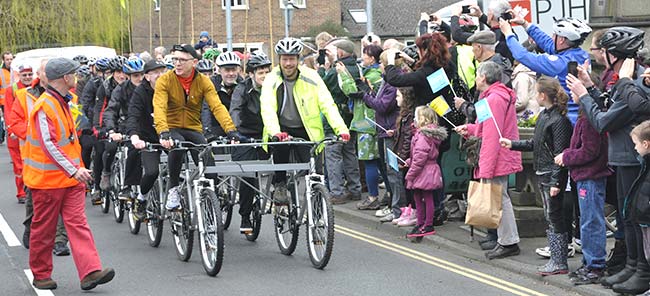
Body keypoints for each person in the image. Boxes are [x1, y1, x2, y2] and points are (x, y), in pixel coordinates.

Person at [566, 27, 650, 295]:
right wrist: (590, 87)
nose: (600, 55)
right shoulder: (624, 81)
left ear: (614, 54)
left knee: (635, 217)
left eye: (603, 50)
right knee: (627, 217)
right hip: (623, 156)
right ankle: (633, 266)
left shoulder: (634, 84)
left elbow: (602, 120)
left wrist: (583, 95)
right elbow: (607, 106)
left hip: (631, 158)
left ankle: (641, 271)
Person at [23, 57, 114, 291]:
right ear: (65, 78)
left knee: (78, 224)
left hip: (70, 178)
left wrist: (75, 171)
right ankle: (41, 274)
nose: (76, 77)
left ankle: (90, 271)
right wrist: (75, 170)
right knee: (44, 229)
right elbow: (49, 145)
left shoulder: (64, 101)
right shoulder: (44, 106)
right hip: (48, 181)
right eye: (73, 74)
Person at [260, 37, 350, 204]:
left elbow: (328, 104)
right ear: (279, 59)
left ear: (298, 59)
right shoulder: (272, 79)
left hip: (306, 130)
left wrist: (341, 129)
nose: (288, 63)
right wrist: (275, 132)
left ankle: (316, 202)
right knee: (280, 154)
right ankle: (280, 185)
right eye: (285, 59)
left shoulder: (312, 76)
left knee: (314, 172)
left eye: (292, 59)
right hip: (281, 129)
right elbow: (267, 108)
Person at [500, 76, 573, 275]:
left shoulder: (559, 121)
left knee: (554, 216)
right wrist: (513, 144)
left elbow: (561, 153)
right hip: (543, 172)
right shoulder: (545, 116)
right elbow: (535, 143)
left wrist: (557, 181)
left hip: (551, 174)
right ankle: (557, 259)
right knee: (550, 216)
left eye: (536, 93)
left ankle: (559, 261)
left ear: (542, 95)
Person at [153, 44, 239, 210]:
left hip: (193, 129)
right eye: (175, 59)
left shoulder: (203, 82)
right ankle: (173, 190)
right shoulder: (165, 80)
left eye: (182, 60)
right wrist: (163, 132)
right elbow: (159, 107)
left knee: (208, 162)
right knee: (177, 149)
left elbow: (217, 106)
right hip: (171, 128)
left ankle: (210, 202)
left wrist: (231, 131)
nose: (177, 63)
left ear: (194, 63)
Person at [455, 61, 522, 259]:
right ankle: (505, 240)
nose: (475, 78)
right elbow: (484, 129)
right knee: (500, 198)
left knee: (500, 199)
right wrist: (469, 129)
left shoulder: (493, 99)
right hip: (498, 154)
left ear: (483, 78)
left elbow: (492, 137)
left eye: (477, 75)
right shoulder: (490, 97)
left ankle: (509, 242)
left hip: (497, 156)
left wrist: (485, 168)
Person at [7, 59, 70, 256]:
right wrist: (33, 134)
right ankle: (30, 226)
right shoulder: (23, 95)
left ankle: (59, 241)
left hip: (59, 157)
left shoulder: (65, 95)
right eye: (45, 71)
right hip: (33, 157)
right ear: (40, 75)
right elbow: (14, 121)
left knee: (60, 198)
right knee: (33, 198)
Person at [553, 93, 611, 285]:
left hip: (591, 176)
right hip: (586, 176)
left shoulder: (589, 121)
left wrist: (566, 156)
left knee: (591, 222)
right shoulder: (585, 118)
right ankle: (589, 263)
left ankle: (595, 266)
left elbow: (589, 151)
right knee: (586, 221)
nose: (572, 94)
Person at [500, 16, 591, 124]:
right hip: (580, 115)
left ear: (561, 40)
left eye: (554, 35)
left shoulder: (559, 63)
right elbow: (548, 44)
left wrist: (508, 34)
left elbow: (522, 56)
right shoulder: (581, 55)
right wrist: (525, 24)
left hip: (567, 120)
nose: (552, 38)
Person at [334, 41, 383, 210]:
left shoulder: (373, 75)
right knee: (380, 163)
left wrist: (343, 74)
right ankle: (383, 196)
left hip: (366, 123)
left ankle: (373, 196)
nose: (363, 59)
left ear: (373, 59)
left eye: (367, 56)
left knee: (370, 161)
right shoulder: (373, 72)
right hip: (376, 123)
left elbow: (352, 91)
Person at [229, 51, 272, 233]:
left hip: (269, 135)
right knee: (248, 175)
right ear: (251, 74)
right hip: (245, 134)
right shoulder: (241, 89)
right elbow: (236, 110)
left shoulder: (275, 87)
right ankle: (245, 216)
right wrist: (235, 133)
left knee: (283, 166)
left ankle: (281, 200)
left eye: (266, 72)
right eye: (260, 73)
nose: (264, 76)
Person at [318, 39, 363, 205]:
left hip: (335, 119)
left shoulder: (336, 70)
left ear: (342, 53)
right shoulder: (357, 67)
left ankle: (337, 192)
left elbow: (321, 87)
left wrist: (324, 68)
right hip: (352, 118)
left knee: (333, 156)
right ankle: (355, 189)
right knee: (350, 154)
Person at [363, 50, 403, 222]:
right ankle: (393, 207)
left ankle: (397, 209)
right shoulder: (387, 81)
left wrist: (365, 96)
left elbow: (383, 106)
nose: (379, 65)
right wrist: (369, 93)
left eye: (381, 62)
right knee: (388, 171)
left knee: (394, 172)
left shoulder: (393, 83)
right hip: (383, 129)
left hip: (390, 131)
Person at [128, 60, 167, 220]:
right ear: (147, 76)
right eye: (155, 72)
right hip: (148, 137)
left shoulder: (170, 88)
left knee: (183, 169)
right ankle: (142, 199)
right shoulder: (140, 92)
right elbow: (134, 115)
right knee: (152, 172)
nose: (160, 75)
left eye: (162, 71)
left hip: (168, 135)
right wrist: (134, 135)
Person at [102, 57, 146, 199]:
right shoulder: (121, 90)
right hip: (126, 126)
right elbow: (110, 110)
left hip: (146, 126)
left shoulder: (150, 87)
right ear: (128, 76)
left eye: (142, 74)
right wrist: (111, 130)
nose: (140, 78)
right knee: (118, 148)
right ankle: (125, 183)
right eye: (135, 76)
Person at [405, 106, 446, 238]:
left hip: (424, 171)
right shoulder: (423, 134)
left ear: (423, 119)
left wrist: (410, 174)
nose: (414, 119)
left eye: (416, 117)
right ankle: (421, 223)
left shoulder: (423, 136)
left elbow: (420, 158)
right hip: (427, 169)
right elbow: (418, 156)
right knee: (421, 197)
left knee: (425, 198)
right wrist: (410, 161)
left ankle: (427, 224)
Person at [95, 56, 128, 194]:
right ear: (113, 73)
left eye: (123, 72)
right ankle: (105, 173)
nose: (121, 75)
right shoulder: (105, 87)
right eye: (118, 72)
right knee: (106, 148)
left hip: (126, 122)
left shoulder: (131, 85)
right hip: (110, 122)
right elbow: (101, 110)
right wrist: (99, 128)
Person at [4, 64, 33, 203]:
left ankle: (32, 189)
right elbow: (9, 111)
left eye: (30, 74)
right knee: (19, 164)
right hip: (16, 133)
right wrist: (12, 131)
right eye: (24, 75)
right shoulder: (12, 90)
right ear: (19, 76)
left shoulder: (36, 88)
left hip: (31, 132)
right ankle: (21, 192)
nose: (27, 77)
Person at [627, 120, 650, 295]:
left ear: (645, 144)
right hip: (643, 218)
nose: (634, 148)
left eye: (635, 144)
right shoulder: (645, 163)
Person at [202, 51, 243, 140]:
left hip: (236, 127)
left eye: (234, 70)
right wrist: (207, 132)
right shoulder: (211, 84)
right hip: (215, 126)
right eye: (227, 70)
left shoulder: (242, 84)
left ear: (238, 70)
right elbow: (206, 108)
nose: (231, 73)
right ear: (220, 70)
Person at [391, 87, 417, 227]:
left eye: (398, 96)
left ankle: (412, 211)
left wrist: (402, 156)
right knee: (405, 184)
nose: (396, 98)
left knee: (408, 185)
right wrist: (394, 132)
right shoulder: (404, 115)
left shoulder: (409, 116)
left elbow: (408, 138)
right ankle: (407, 210)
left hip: (405, 156)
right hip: (402, 154)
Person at [0, 52, 14, 144]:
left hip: (17, 101)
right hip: (5, 104)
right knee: (9, 125)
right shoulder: (1, 73)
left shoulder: (16, 70)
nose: (9, 61)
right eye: (7, 59)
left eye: (11, 59)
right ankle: (12, 146)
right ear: (3, 61)